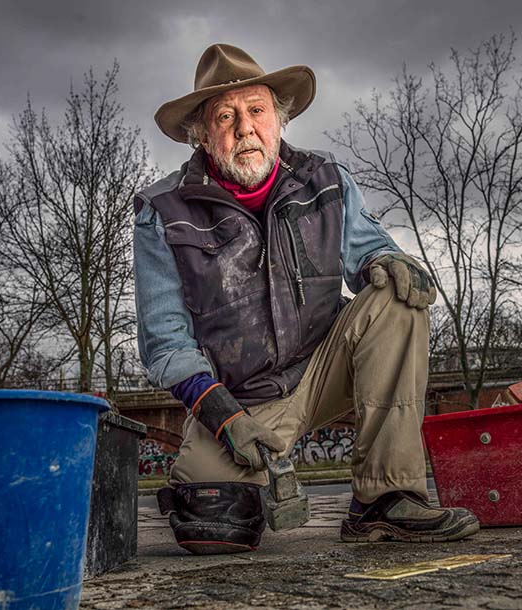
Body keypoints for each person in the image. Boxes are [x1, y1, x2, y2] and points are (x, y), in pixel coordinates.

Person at [133, 43, 479, 555]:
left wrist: (386, 260)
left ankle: (384, 500)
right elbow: (165, 341)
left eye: (256, 110)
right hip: (241, 401)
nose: (244, 127)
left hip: (324, 369)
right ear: (203, 135)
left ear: (279, 120)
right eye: (225, 116)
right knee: (209, 530)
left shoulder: (327, 181)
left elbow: (370, 250)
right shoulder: (161, 211)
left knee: (398, 293)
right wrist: (223, 416)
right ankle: (235, 476)